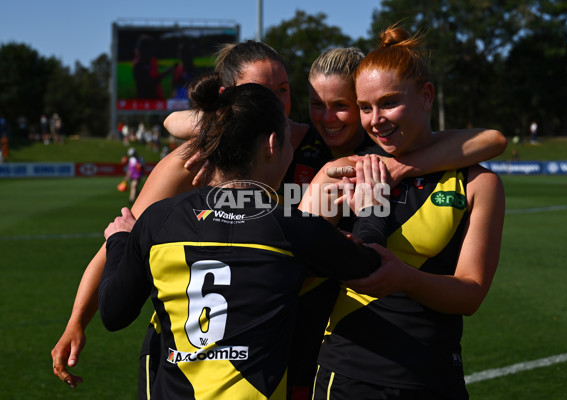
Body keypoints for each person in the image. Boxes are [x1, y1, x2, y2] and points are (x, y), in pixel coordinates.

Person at [50, 40, 505, 396]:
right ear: (235, 99)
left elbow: (488, 140)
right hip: (191, 347)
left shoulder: (326, 146)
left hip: (296, 337)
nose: (282, 104)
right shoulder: (197, 159)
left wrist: (401, 168)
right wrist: (76, 320)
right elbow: (125, 241)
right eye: (266, 95)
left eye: (286, 91)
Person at [98, 76, 383, 399]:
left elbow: (113, 313)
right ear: (272, 144)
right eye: (289, 141)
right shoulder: (293, 227)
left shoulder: (158, 219)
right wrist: (372, 209)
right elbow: (371, 266)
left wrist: (119, 241)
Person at [301, 25, 505, 399]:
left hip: (434, 377)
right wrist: (332, 218)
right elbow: (291, 271)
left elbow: (471, 295)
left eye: (389, 102)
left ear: (427, 96)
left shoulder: (478, 184)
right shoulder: (342, 171)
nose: (375, 119)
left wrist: (406, 278)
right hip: (347, 376)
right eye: (364, 107)